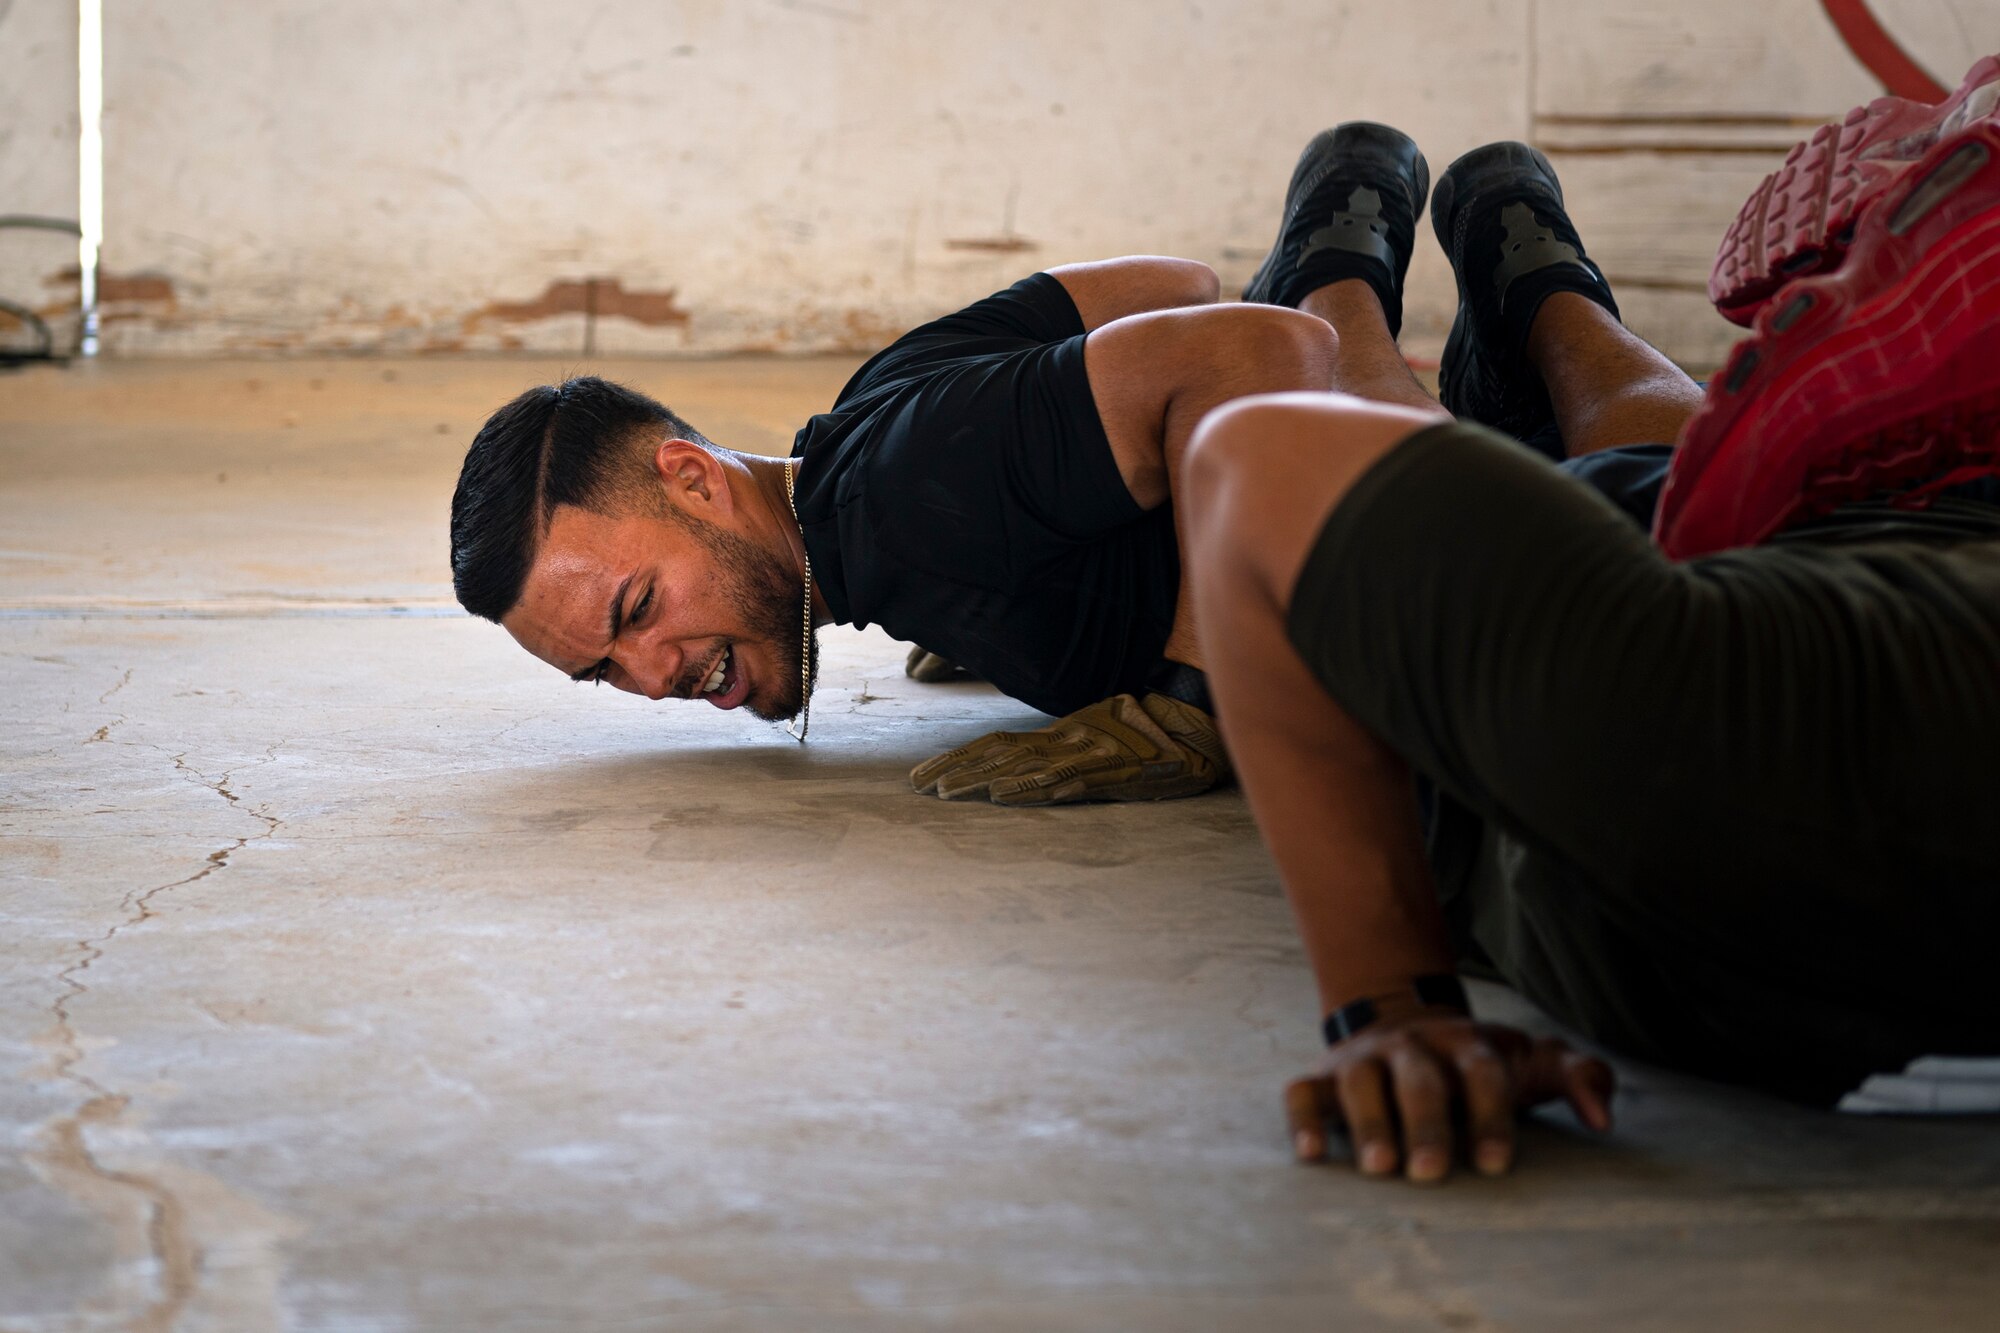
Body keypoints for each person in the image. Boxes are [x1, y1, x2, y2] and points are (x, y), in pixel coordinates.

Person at [1178, 57, 2000, 1185]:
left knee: (1651, 464)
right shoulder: (1775, 721)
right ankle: (1409, 298)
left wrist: (1398, 1006)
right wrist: (1390, 1000)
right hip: (1806, 575)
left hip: (1801, 558)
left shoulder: (1724, 732)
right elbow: (1259, 467)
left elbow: (1259, 470)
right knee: (1644, 464)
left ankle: (1490, 291)